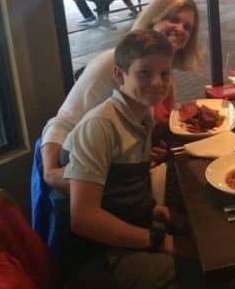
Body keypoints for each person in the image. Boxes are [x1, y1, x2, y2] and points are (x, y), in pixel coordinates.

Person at [55, 30, 200, 288]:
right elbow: (84, 218)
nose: (157, 82)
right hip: (101, 257)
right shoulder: (100, 127)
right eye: (145, 73)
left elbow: (118, 194)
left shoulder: (141, 118)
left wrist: (160, 211)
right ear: (119, 75)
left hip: (132, 229)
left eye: (164, 74)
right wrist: (161, 241)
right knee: (208, 267)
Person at [41, 0, 202, 193]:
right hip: (79, 176)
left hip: (125, 176)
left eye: (187, 27)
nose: (180, 29)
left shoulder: (164, 73)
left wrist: (150, 151)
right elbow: (63, 121)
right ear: (152, 19)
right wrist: (50, 172)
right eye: (173, 19)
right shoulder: (112, 62)